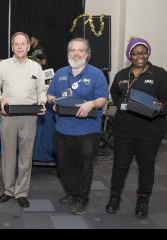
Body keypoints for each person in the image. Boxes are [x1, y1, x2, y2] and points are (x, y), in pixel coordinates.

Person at [105, 38, 167, 219]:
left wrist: (159, 107)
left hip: (150, 131)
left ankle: (143, 200)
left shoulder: (160, 74)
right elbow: (114, 91)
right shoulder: (122, 74)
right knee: (120, 165)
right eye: (135, 53)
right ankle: (114, 197)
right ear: (129, 55)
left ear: (148, 53)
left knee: (146, 167)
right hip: (124, 130)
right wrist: (121, 104)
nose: (140, 56)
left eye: (143, 52)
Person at [47, 37, 109, 215]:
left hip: (87, 130)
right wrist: (54, 102)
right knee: (64, 166)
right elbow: (50, 95)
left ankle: (82, 198)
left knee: (84, 166)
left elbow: (102, 99)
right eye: (72, 50)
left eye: (80, 50)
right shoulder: (60, 73)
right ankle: (72, 192)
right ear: (68, 53)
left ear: (87, 54)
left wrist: (91, 104)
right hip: (62, 129)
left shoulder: (97, 74)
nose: (76, 53)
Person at [0, 32, 47, 208]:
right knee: (8, 155)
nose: (20, 46)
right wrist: (1, 99)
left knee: (26, 155)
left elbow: (41, 90)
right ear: (12, 47)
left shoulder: (36, 67)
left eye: (23, 43)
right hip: (8, 116)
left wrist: (42, 101)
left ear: (29, 46)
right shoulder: (3, 65)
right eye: (16, 44)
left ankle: (21, 192)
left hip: (30, 117)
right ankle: (8, 190)